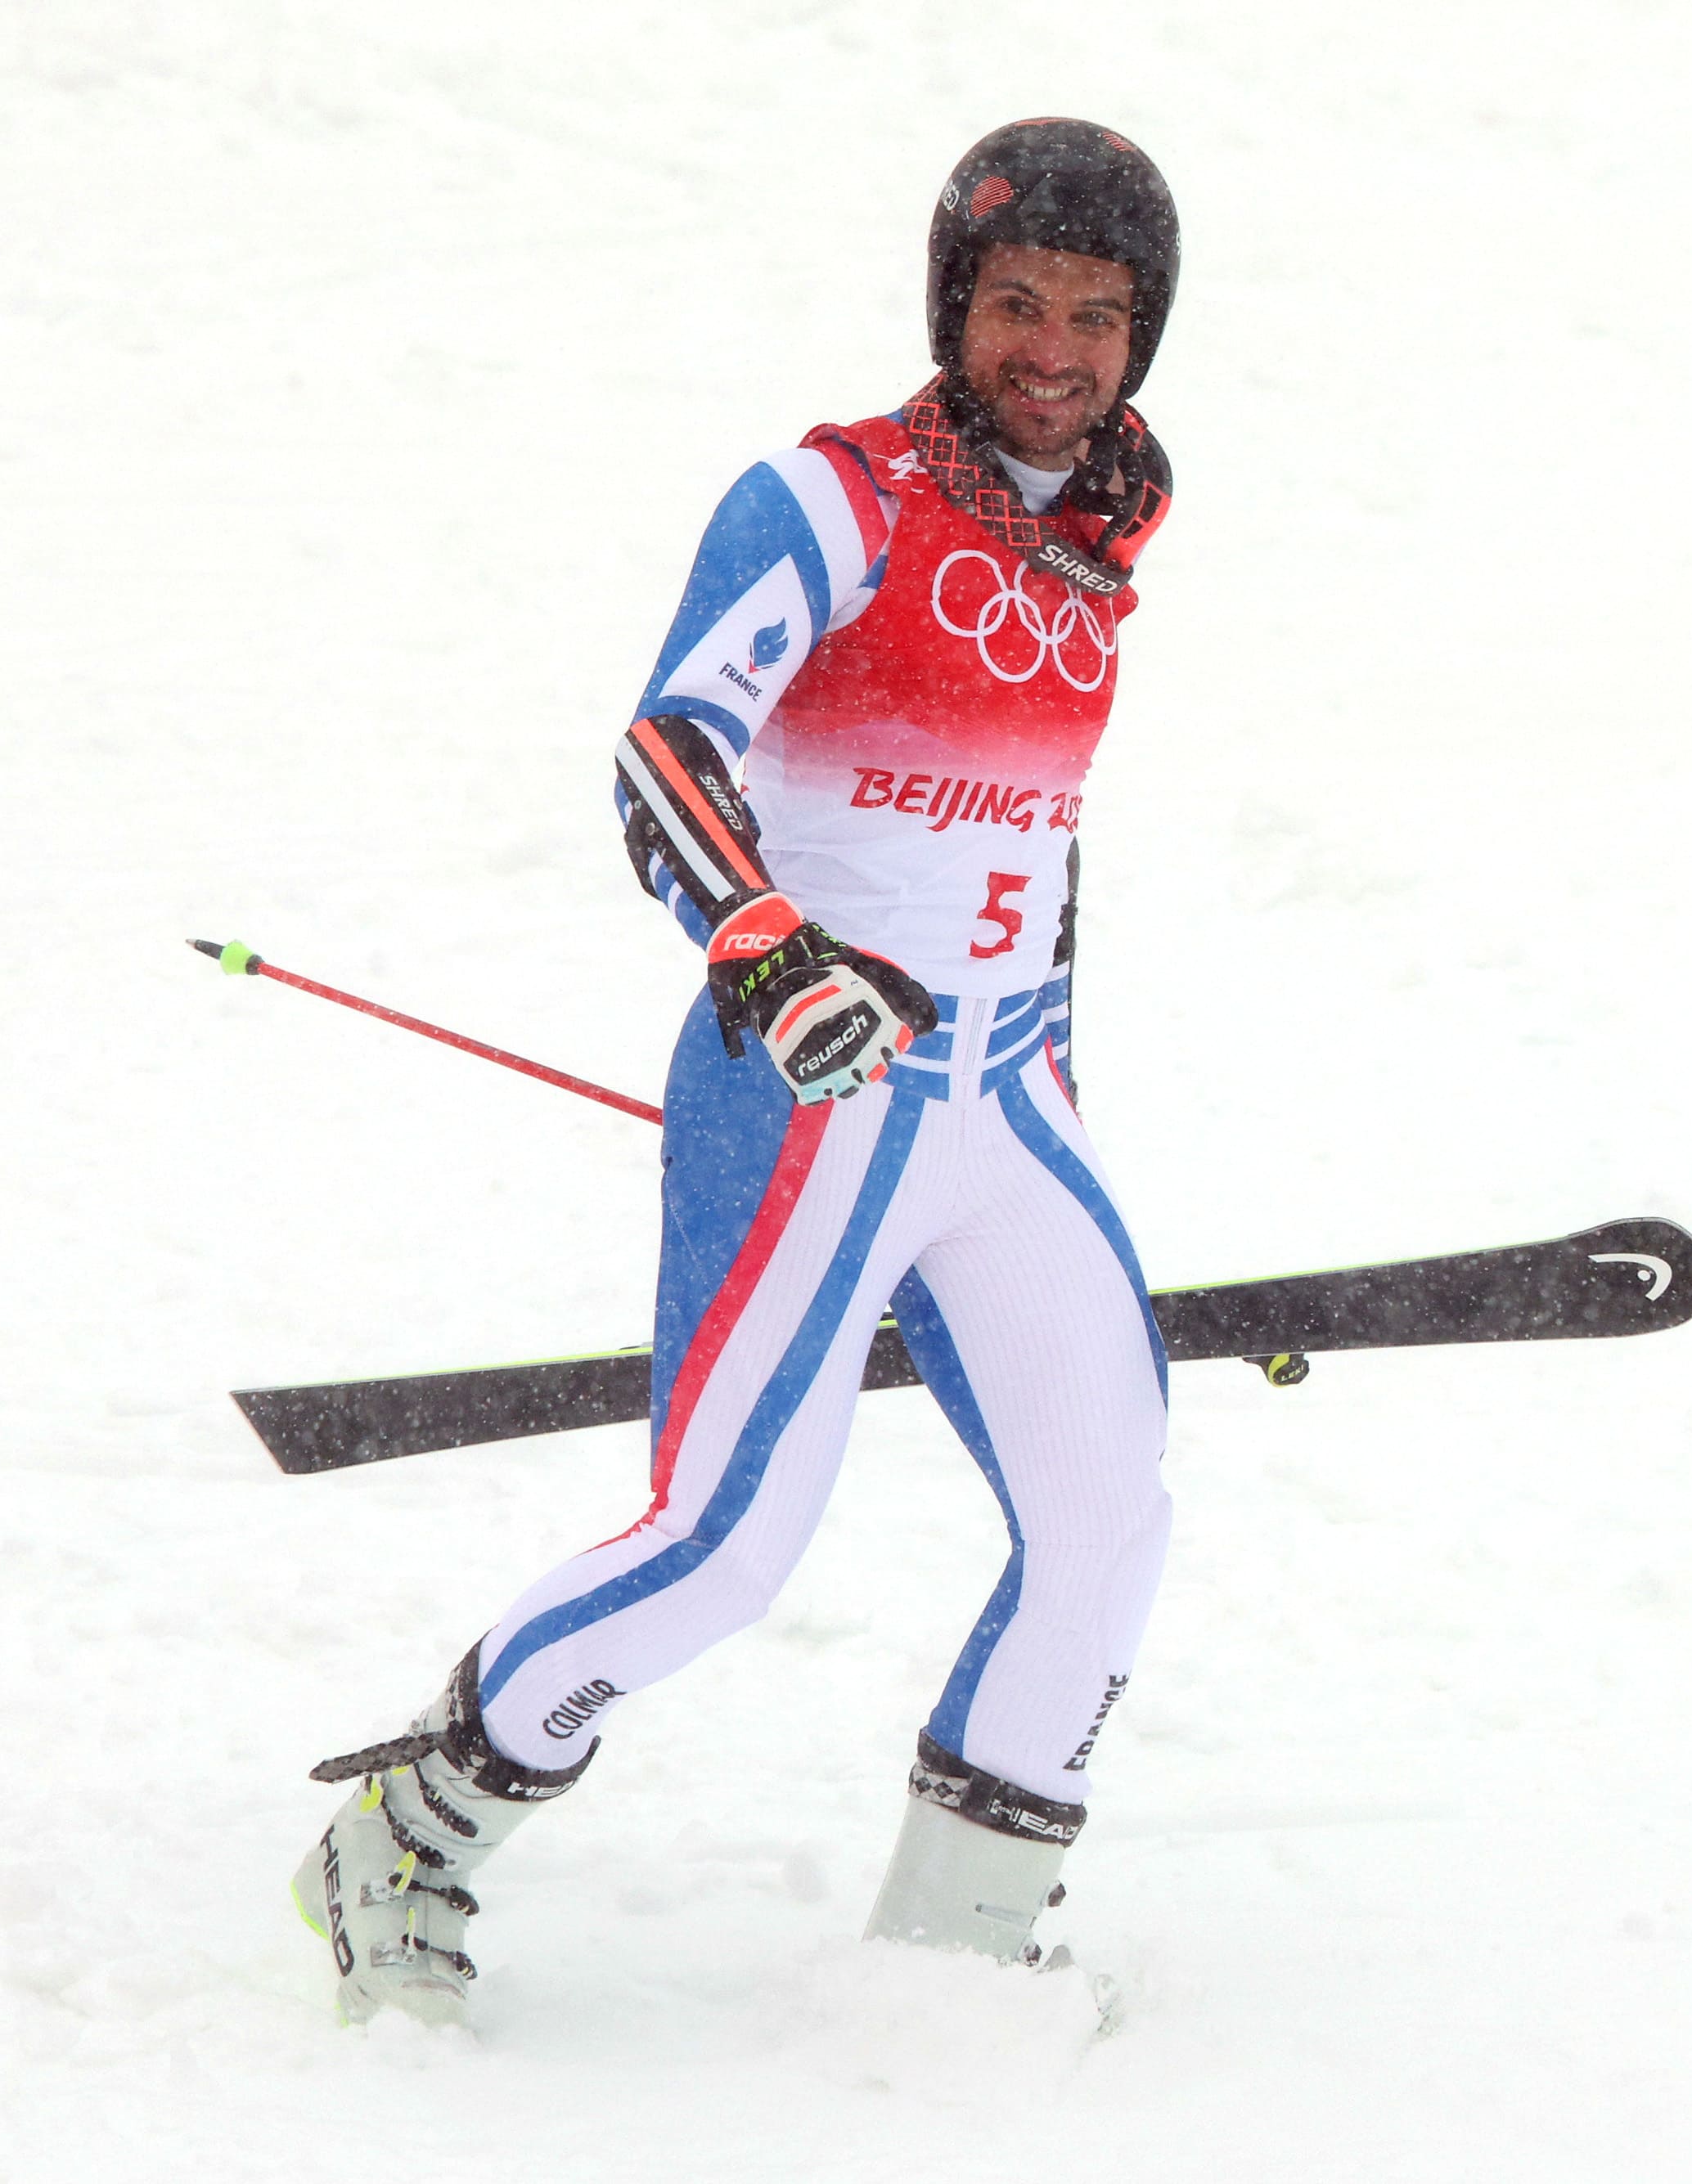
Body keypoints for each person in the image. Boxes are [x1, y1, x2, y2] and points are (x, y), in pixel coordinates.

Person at [295, 119, 1182, 2028]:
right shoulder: (832, 500)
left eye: (1096, 316)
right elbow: (666, 750)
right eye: (1016, 303)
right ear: (954, 307)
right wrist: (771, 954)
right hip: (818, 1091)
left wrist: (1057, 1109)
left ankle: (956, 1957)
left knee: (1109, 1516)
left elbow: (1039, 849)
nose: (1054, 348)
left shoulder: (1096, 548)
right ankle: (405, 1834)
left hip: (1006, 1112)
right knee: (719, 1550)